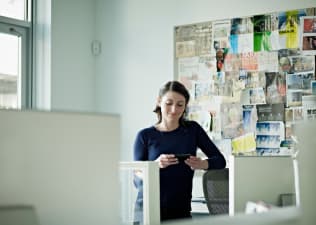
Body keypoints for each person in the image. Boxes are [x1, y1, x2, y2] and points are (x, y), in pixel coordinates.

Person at [133, 80, 226, 223]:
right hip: (148, 210)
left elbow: (220, 161)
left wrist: (203, 164)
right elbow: (137, 175)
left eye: (180, 105)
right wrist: (154, 166)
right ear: (159, 102)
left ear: (185, 106)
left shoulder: (192, 130)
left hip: (180, 209)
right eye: (168, 103)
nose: (174, 109)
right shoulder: (144, 135)